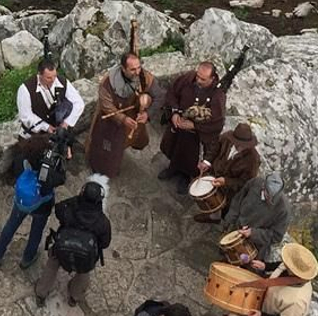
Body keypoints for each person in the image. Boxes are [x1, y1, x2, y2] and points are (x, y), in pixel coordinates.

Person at [35, 180, 112, 306]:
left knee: (51, 266)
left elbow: (58, 209)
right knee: (84, 274)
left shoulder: (69, 211)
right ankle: (74, 297)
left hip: (62, 250)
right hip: (84, 257)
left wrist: (76, 200)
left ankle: (41, 293)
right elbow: (105, 243)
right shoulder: (102, 223)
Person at [158, 62, 226, 192]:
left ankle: (185, 176)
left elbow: (217, 121)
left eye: (203, 79)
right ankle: (172, 168)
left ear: (212, 78)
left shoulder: (218, 95)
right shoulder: (188, 79)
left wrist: (195, 125)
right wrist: (175, 112)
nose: (198, 80)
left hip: (194, 136)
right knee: (173, 148)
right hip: (178, 126)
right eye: (198, 76)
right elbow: (172, 93)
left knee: (189, 158)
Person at [12, 56, 85, 171]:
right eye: (48, 78)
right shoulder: (25, 89)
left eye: (54, 76)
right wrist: (45, 127)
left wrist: (66, 123)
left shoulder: (60, 82)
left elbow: (79, 103)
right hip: (34, 135)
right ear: (40, 75)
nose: (53, 80)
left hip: (54, 132)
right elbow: (26, 116)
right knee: (31, 160)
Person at [92, 52, 154, 179]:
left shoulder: (143, 76)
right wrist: (123, 119)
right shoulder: (107, 83)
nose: (137, 72)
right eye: (132, 69)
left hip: (133, 117)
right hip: (111, 123)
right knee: (108, 149)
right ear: (123, 69)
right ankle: (103, 169)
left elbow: (157, 94)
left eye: (138, 68)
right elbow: (107, 105)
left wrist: (147, 107)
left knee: (134, 138)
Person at [0, 162, 58, 270]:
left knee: (11, 225)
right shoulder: (52, 163)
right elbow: (60, 179)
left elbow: (17, 172)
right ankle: (27, 259)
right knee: (36, 232)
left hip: (23, 200)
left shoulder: (24, 156)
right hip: (42, 204)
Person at [247, 242, 318, 316]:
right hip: (262, 311)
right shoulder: (291, 268)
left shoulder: (297, 302)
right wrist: (265, 266)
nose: (285, 263)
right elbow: (281, 266)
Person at [217, 173, 290, 270]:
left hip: (255, 244)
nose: (270, 200)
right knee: (226, 255)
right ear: (263, 186)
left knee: (245, 269)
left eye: (273, 197)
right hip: (237, 228)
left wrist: (253, 233)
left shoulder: (283, 209)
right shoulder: (255, 182)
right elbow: (238, 200)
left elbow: (276, 236)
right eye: (268, 195)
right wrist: (228, 221)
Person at [194, 122, 260, 223]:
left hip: (230, 189)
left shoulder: (253, 160)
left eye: (243, 145)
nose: (240, 146)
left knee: (224, 206)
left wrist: (226, 181)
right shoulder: (226, 138)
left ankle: (218, 218)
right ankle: (213, 216)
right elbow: (214, 148)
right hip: (214, 175)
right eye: (237, 143)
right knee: (211, 200)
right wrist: (207, 162)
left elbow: (245, 183)